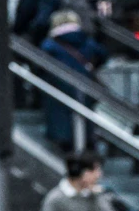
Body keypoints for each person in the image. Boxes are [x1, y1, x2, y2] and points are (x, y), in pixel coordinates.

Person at [39, 9, 106, 151]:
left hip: (59, 87)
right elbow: (102, 54)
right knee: (85, 117)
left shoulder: (50, 44)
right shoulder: (87, 40)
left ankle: (68, 148)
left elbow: (40, 64)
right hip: (85, 86)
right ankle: (86, 145)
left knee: (62, 121)